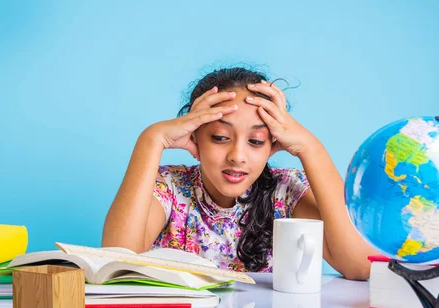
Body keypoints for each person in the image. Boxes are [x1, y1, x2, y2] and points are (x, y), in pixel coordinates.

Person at [102, 67, 374, 280]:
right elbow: (116, 262)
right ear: (194, 138)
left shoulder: (286, 192)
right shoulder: (169, 187)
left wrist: (310, 148)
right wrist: (152, 138)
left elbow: (360, 267)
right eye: (220, 137)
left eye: (255, 141)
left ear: (273, 145)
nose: (237, 155)